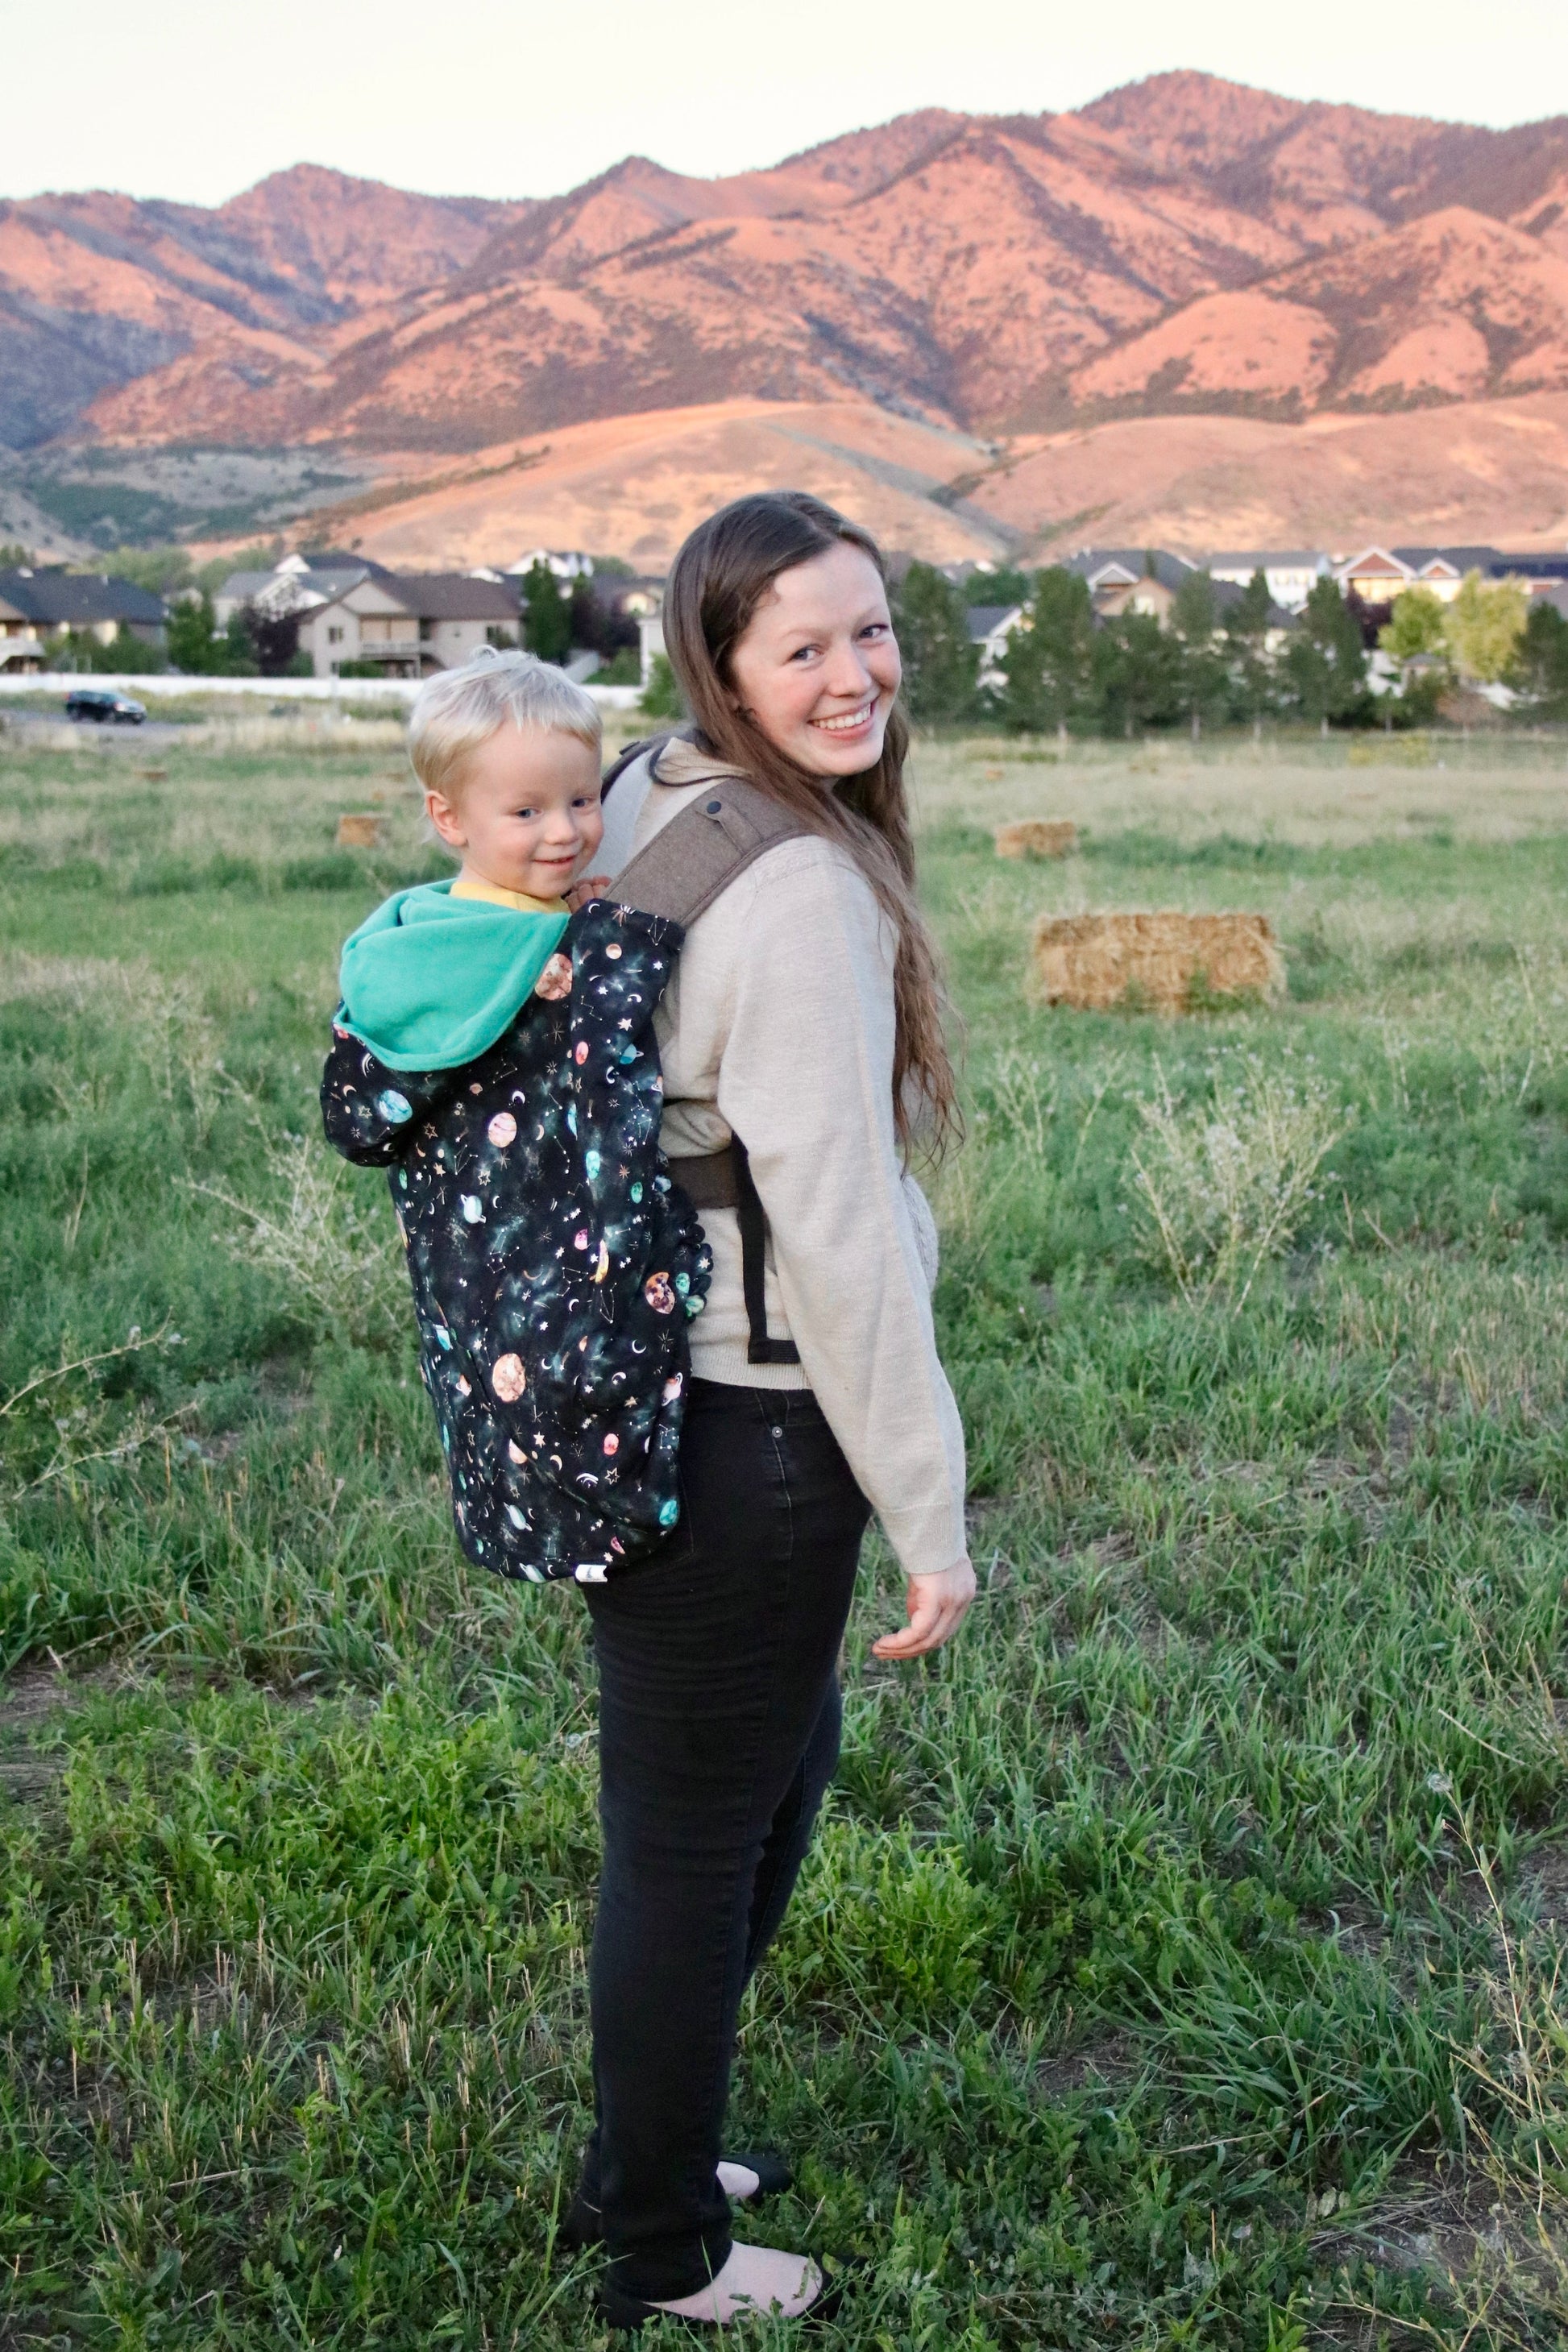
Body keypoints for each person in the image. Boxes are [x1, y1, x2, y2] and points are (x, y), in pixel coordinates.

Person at [576, 491, 975, 2331]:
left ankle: (657, 2143)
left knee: (754, 1787)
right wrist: (928, 1503)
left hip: (655, 1394)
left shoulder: (660, 790)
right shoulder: (801, 886)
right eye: (800, 644)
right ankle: (658, 2235)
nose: (851, 673)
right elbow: (835, 1239)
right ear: (720, 661)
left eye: (871, 629)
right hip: (752, 1419)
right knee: (692, 1836)